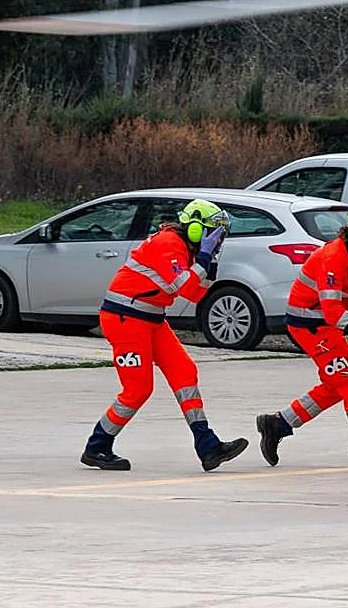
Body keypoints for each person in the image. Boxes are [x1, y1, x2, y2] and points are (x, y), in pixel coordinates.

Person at [81, 199, 249, 472]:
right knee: (138, 390)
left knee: (184, 371)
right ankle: (97, 446)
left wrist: (210, 264)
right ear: (195, 229)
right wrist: (204, 260)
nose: (217, 240)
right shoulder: (169, 244)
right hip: (125, 319)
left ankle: (207, 445)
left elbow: (195, 293)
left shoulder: (186, 249)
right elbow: (182, 286)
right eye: (212, 233)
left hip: (150, 318)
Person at [255, 197, 348, 470]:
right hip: (309, 325)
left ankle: (278, 424)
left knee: (337, 385)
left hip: (323, 324)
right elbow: (331, 309)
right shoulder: (334, 257)